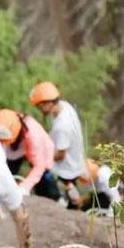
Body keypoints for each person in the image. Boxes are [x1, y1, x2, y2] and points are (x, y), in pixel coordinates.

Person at [29, 81, 87, 209]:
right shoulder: (64, 106)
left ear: (48, 103)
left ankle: (55, 205)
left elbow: (60, 155)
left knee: (43, 178)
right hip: (74, 160)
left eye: (40, 106)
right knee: (71, 193)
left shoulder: (62, 126)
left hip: (66, 168)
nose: (39, 109)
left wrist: (40, 158)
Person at [0, 108, 60, 202]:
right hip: (12, 151)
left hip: (40, 152)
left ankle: (53, 199)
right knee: (5, 174)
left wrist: (24, 187)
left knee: (43, 180)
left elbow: (39, 165)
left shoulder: (33, 135)